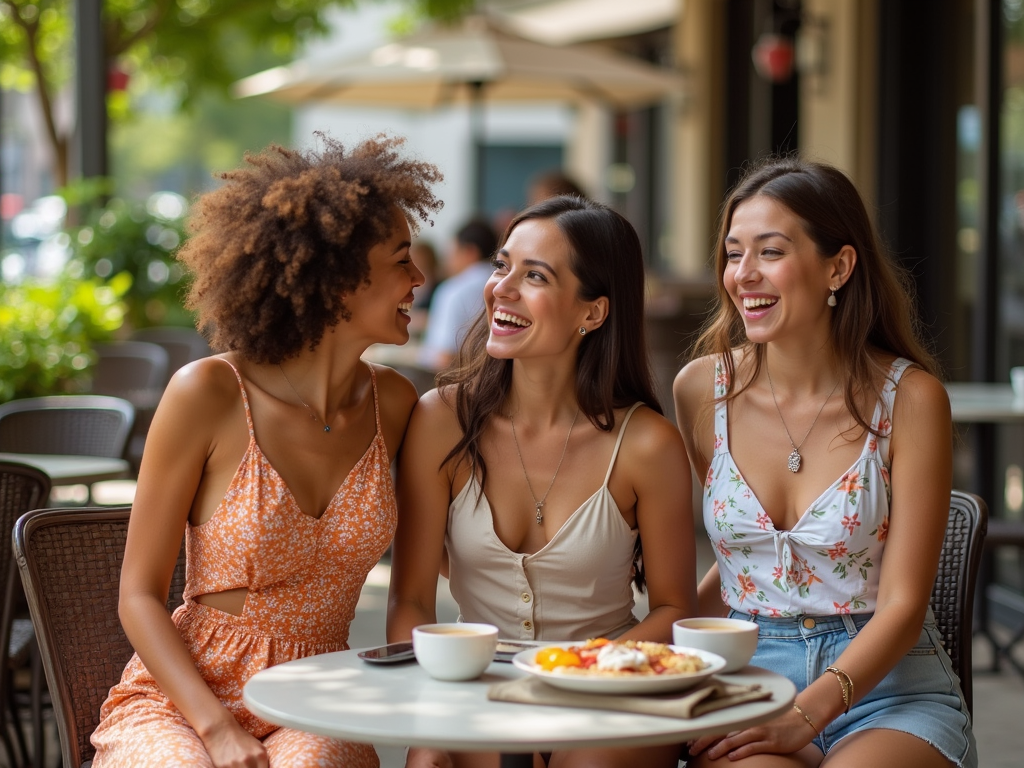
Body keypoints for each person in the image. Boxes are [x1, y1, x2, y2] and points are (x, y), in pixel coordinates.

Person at [90, 134, 442, 768]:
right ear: (337, 280)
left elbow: (418, 590)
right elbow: (138, 594)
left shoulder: (396, 403)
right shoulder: (210, 393)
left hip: (322, 695)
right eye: (401, 261)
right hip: (185, 697)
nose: (419, 279)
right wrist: (217, 729)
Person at [673, 157, 977, 768]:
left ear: (838, 266)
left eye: (770, 252)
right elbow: (739, 561)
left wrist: (808, 714)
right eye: (733, 255)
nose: (744, 275)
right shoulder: (701, 390)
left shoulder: (912, 399)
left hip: (887, 688)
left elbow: (903, 603)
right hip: (748, 676)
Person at [389, 195, 697, 768]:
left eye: (535, 276)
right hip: (474, 686)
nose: (500, 288)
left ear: (593, 312)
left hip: (611, 690)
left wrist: (574, 677)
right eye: (503, 266)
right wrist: (431, 715)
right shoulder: (440, 420)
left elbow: (674, 607)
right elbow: (408, 600)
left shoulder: (648, 444)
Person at [418, 217, 498, 369]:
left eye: (452, 253)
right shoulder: (506, 285)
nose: (448, 261)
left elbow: (443, 357)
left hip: (459, 383)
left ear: (470, 252)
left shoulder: (453, 289)